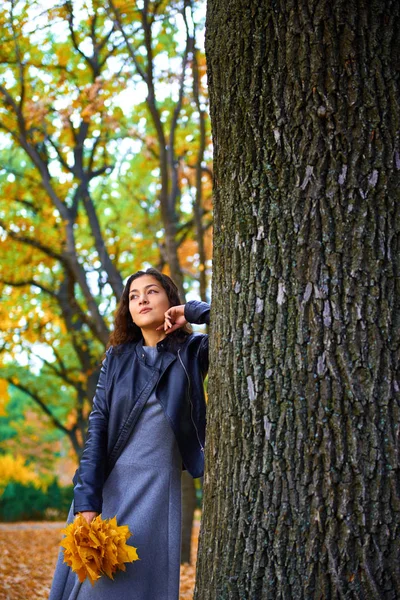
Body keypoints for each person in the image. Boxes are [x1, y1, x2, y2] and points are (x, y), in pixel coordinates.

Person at [48, 267, 210, 600]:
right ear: (128, 312)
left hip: (156, 488)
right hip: (110, 487)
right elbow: (97, 427)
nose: (142, 300)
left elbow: (243, 326)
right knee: (95, 587)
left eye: (152, 291)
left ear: (170, 300)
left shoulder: (193, 351)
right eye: (133, 297)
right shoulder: (117, 358)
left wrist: (190, 311)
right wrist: (88, 501)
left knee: (137, 584)